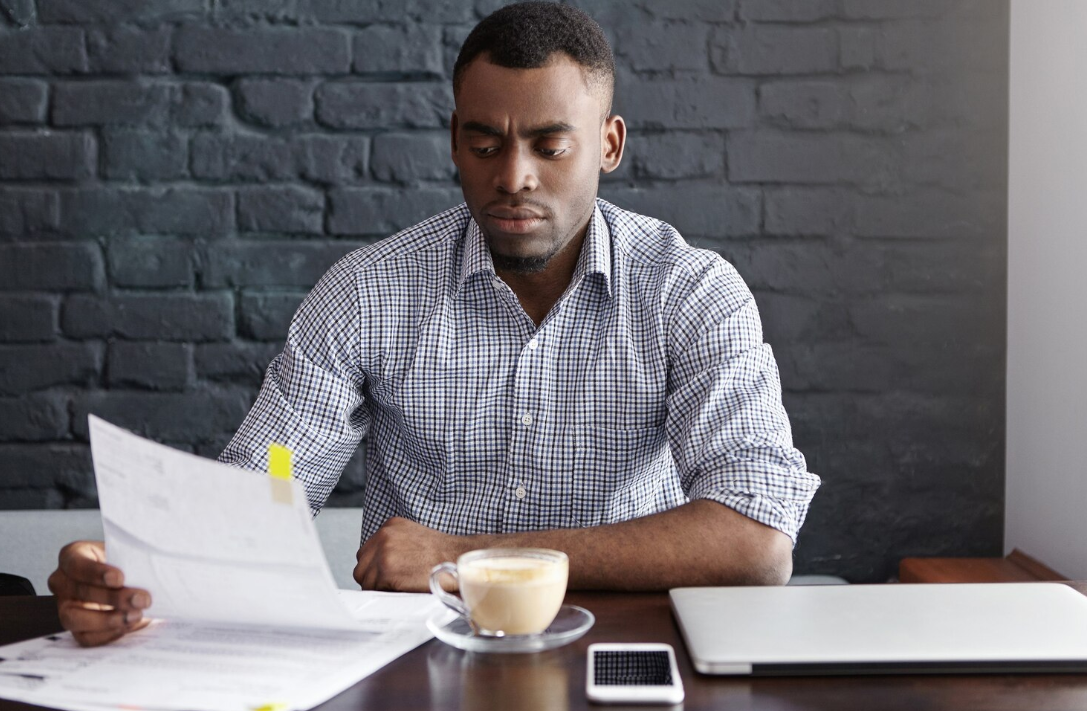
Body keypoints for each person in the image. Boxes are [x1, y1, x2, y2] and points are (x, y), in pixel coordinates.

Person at [48, 1, 820, 647]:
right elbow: (256, 504)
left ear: (608, 145)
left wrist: (467, 557)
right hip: (410, 659)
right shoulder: (366, 293)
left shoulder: (690, 293)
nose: (513, 176)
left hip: (613, 650)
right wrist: (125, 571)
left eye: (550, 146)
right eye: (485, 144)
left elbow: (756, 543)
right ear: (455, 140)